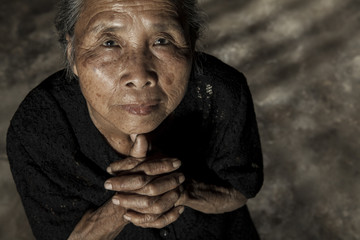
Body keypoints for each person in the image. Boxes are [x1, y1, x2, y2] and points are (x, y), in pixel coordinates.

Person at [6, 0, 263, 239]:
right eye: (109, 43)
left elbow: (240, 190)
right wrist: (130, 201)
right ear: (72, 51)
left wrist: (180, 189)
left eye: (162, 40)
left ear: (192, 45)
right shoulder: (38, 127)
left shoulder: (220, 91)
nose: (139, 76)